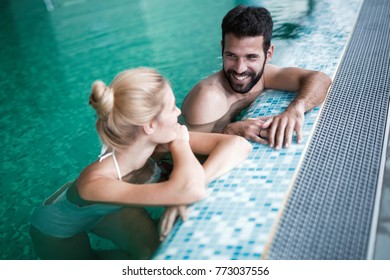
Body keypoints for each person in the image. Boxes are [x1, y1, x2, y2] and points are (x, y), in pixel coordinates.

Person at [29, 67, 252, 260]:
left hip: (109, 209)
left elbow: (238, 145)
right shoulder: (93, 182)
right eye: (173, 107)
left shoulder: (157, 141)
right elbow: (191, 189)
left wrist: (177, 194)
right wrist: (181, 146)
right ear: (149, 126)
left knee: (152, 254)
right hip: (58, 227)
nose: (179, 112)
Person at [181, 5, 332, 150]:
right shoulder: (208, 97)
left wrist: (297, 108)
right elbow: (182, 147)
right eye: (231, 55)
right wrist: (229, 131)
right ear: (222, 49)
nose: (240, 69)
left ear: (269, 54)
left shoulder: (263, 75)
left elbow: (320, 78)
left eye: (251, 57)